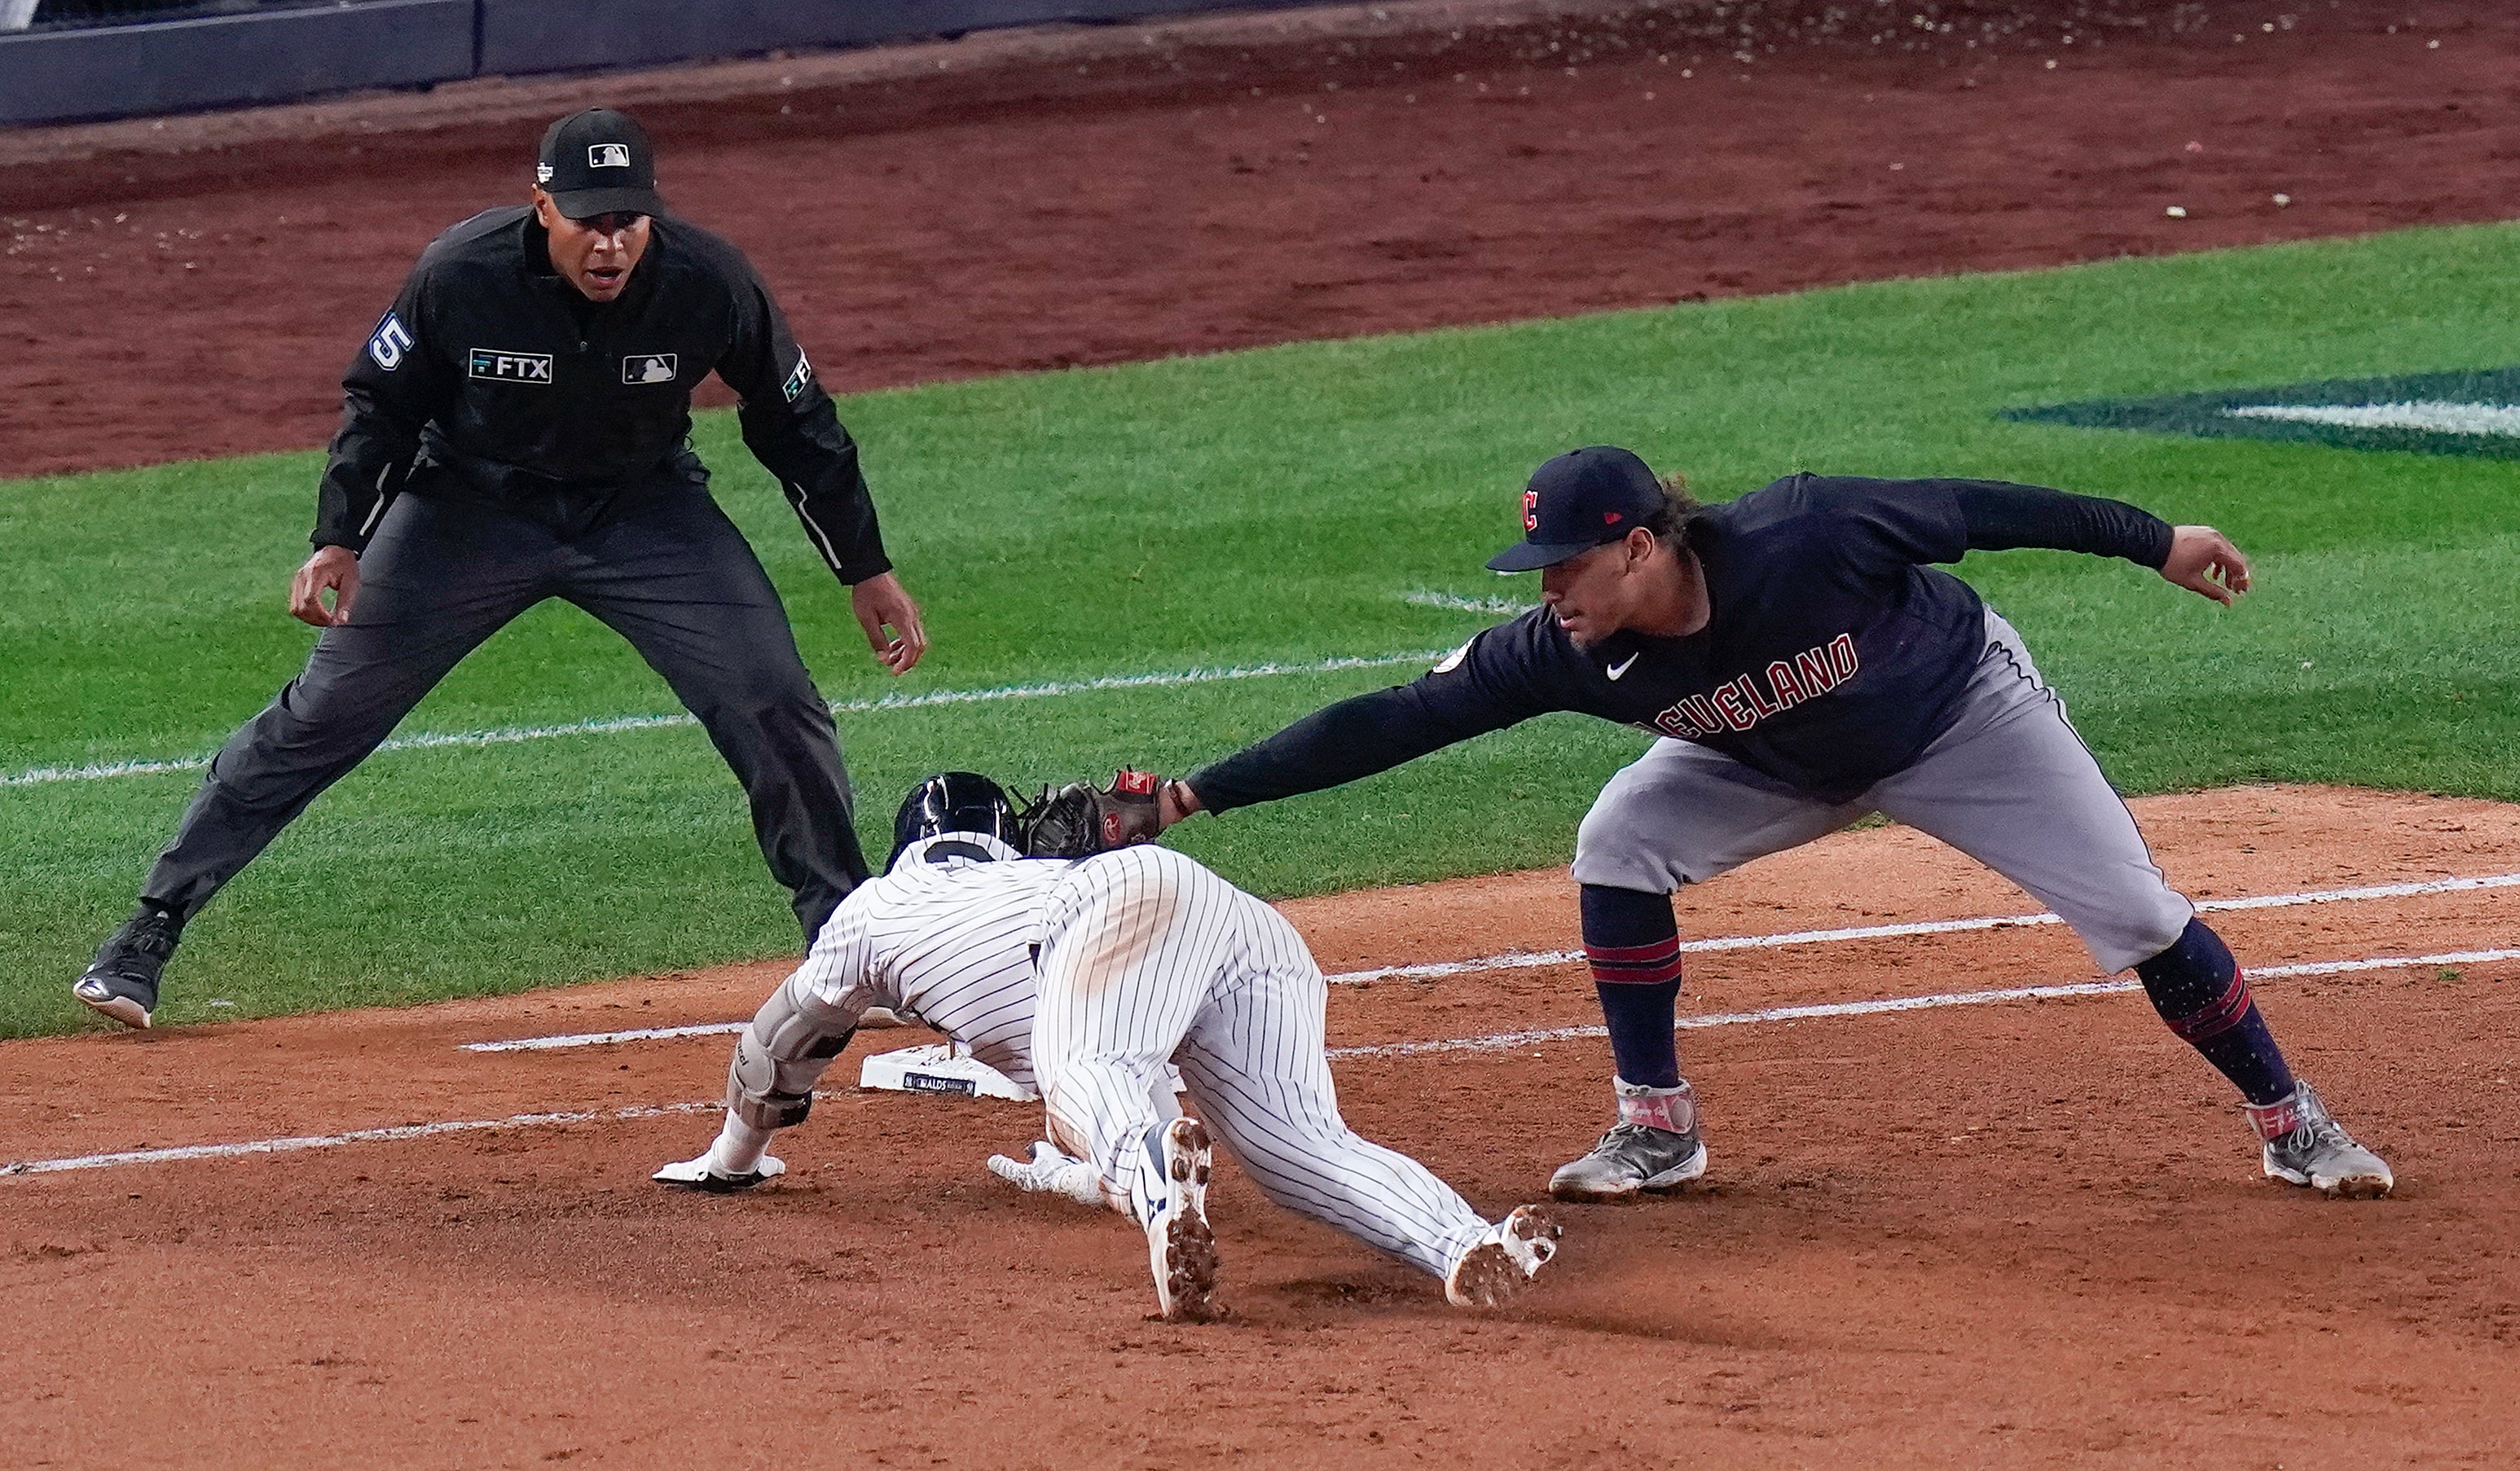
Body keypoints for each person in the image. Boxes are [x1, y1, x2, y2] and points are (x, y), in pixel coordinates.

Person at [1148, 446, 2395, 1202]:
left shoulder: (1810, 534)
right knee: (1619, 845)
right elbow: (1391, 721)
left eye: (1566, 567)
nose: (1548, 594)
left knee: (2134, 911)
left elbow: (1985, 507)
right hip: (1769, 758)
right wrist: (1196, 794)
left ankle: (2294, 1123)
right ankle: (1657, 1127)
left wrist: (2155, 541)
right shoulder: (1567, 648)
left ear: (1638, 545)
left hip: (1959, 718)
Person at [73, 108, 925, 1030]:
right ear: (541, 207)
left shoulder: (709, 282)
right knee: (326, 715)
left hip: (642, 511)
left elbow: (798, 426)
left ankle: (842, 947)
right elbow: (380, 408)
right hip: (465, 513)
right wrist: (340, 538)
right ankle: (147, 933)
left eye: (629, 220)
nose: (611, 243)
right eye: (589, 220)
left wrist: (863, 566)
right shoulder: (460, 273)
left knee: (770, 696)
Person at [655, 773, 1563, 1322]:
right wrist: (1080, 1172)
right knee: (1300, 1152)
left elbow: (778, 1045)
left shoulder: (873, 909)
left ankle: (1159, 1202)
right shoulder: (1021, 877)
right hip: (1231, 921)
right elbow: (1144, 1075)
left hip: (1114, 906)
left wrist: (734, 1159)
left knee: (1085, 1079)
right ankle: (1465, 1245)